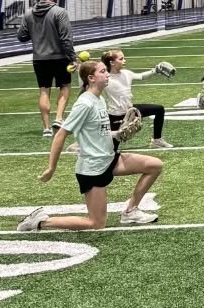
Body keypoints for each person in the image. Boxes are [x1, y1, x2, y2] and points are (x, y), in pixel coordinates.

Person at [19, 59, 163, 230]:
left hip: (109, 159)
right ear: (91, 78)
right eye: (103, 71)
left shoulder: (99, 99)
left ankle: (131, 211)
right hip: (93, 168)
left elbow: (98, 131)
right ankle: (40, 221)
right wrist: (51, 168)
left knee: (154, 165)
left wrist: (117, 134)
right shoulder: (85, 103)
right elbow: (61, 135)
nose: (107, 74)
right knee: (96, 223)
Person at [18, 0, 76, 139]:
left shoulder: (29, 13)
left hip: (39, 58)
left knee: (44, 90)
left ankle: (46, 128)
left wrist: (36, 33)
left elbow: (21, 36)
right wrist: (73, 58)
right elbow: (66, 38)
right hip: (60, 57)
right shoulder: (60, 12)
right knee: (65, 87)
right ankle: (59, 118)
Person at [102, 50, 172, 149]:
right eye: (121, 59)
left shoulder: (126, 73)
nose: (124, 60)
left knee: (159, 109)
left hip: (131, 110)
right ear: (112, 62)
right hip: (116, 116)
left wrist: (155, 70)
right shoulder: (105, 78)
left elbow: (141, 76)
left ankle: (157, 140)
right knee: (112, 149)